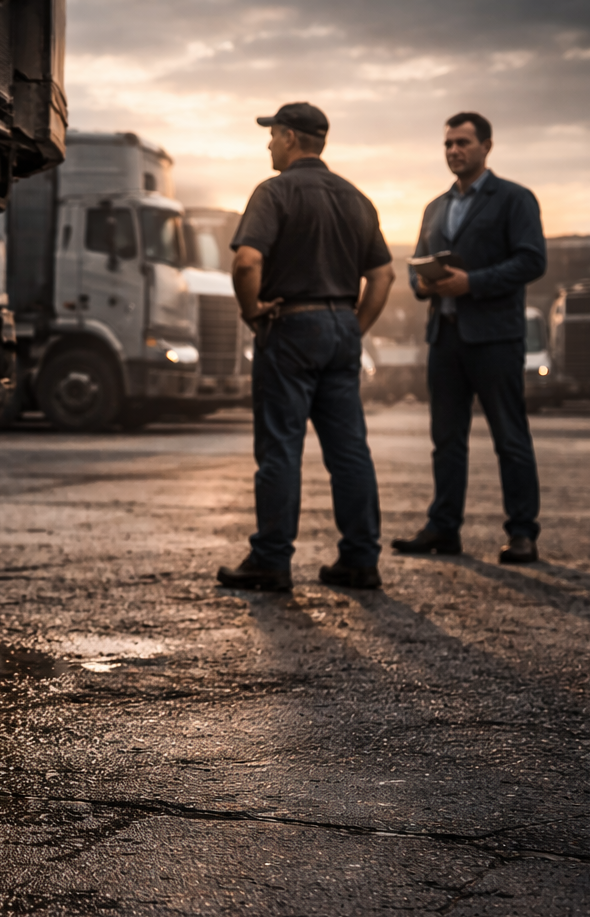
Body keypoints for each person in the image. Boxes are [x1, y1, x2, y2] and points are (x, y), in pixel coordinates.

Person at [216, 102, 396, 593]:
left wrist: (252, 312)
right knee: (349, 450)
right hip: (341, 329)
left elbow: (246, 263)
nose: (269, 144)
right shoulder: (356, 199)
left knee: (280, 447)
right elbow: (383, 275)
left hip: (291, 328)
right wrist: (354, 327)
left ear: (291, 137)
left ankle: (271, 560)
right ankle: (360, 560)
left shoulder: (274, 192)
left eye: (273, 134)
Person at [392, 112, 546, 564]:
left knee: (510, 438)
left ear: (486, 146)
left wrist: (472, 283)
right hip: (445, 337)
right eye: (448, 144)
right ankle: (443, 528)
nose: (454, 150)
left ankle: (522, 533)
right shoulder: (435, 207)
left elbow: (532, 261)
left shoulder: (514, 199)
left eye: (462, 142)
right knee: (446, 440)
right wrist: (422, 283)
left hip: (495, 339)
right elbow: (416, 263)